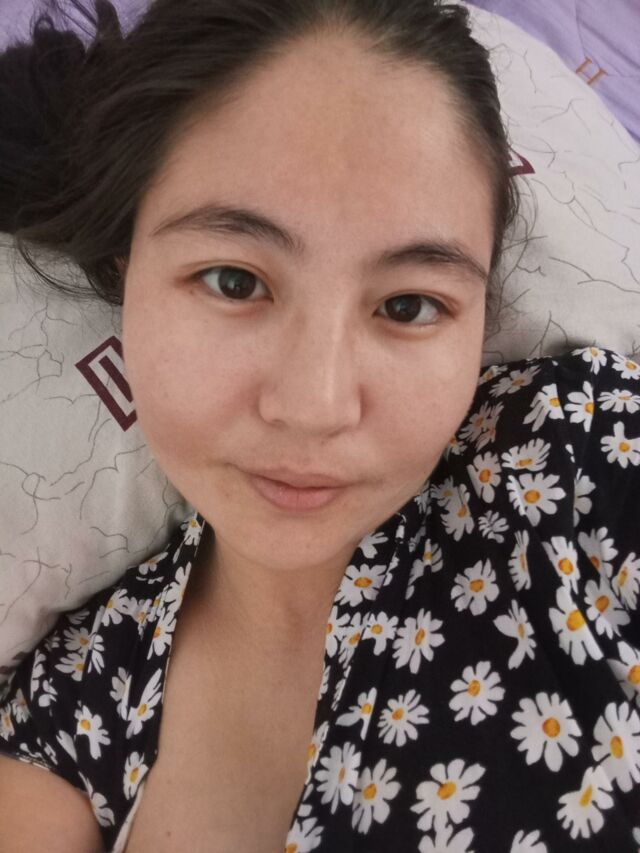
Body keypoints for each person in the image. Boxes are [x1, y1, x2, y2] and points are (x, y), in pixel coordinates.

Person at [0, 0, 639, 851]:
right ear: (128, 274)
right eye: (234, 281)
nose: (315, 406)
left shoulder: (586, 456)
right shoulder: (73, 698)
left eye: (409, 305)